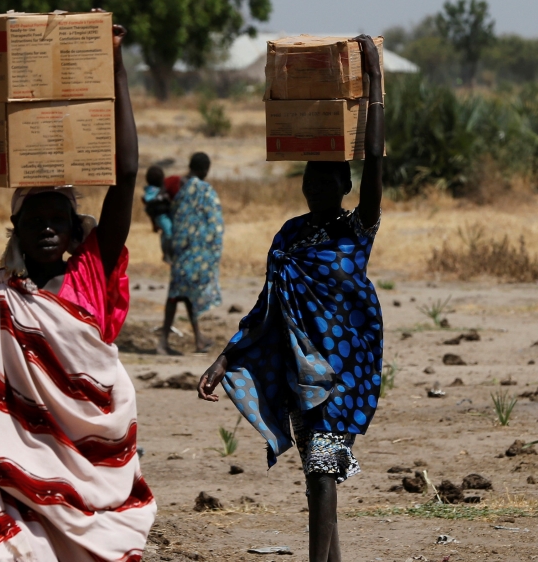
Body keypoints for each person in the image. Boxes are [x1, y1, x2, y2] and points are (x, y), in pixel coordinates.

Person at [0, 21, 155, 562]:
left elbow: (125, 171)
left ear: (78, 231)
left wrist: (116, 66)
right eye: (36, 218)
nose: (48, 227)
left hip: (91, 482)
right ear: (17, 227)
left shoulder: (90, 272)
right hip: (12, 481)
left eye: (59, 217)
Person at [196, 35, 384, 562]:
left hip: (345, 376)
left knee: (323, 475)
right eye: (309, 175)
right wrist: (225, 356)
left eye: (327, 176)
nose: (315, 185)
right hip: (301, 377)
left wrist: (374, 85)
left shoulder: (357, 230)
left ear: (345, 183)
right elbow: (267, 306)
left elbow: (374, 156)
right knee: (317, 478)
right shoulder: (290, 234)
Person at [157, 152, 224, 355]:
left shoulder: (181, 186)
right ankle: (163, 342)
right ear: (205, 170)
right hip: (195, 252)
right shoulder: (204, 190)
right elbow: (214, 222)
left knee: (184, 294)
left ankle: (198, 340)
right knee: (178, 295)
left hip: (181, 248)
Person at [143, 165, 174, 262]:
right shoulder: (152, 190)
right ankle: (167, 254)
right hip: (160, 216)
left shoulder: (159, 189)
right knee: (169, 232)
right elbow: (148, 200)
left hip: (164, 214)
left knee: (167, 233)